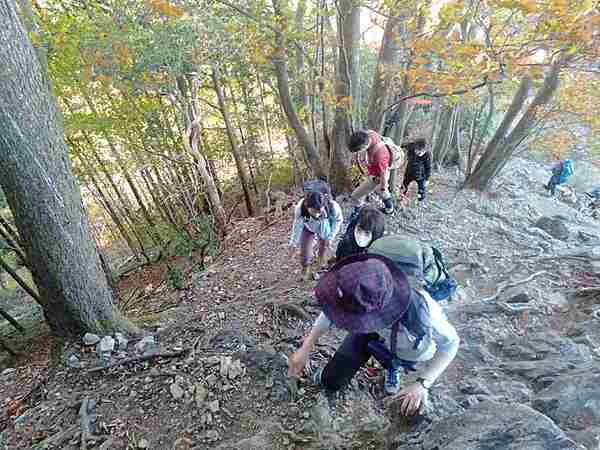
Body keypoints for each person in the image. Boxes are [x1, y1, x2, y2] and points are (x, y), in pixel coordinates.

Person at [288, 254, 460, 416]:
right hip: (371, 330)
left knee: (402, 357)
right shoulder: (358, 287)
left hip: (407, 347)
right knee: (331, 381)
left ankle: (393, 367)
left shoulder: (425, 315)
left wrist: (423, 383)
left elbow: (451, 343)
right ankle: (380, 360)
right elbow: (332, 310)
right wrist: (306, 347)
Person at [289, 191, 343, 281]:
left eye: (319, 210)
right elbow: (297, 225)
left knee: (323, 247)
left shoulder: (333, 206)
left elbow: (338, 220)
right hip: (308, 228)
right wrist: (293, 243)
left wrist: (331, 237)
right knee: (305, 252)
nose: (317, 214)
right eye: (314, 211)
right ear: (307, 206)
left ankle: (319, 264)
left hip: (325, 227)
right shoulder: (300, 208)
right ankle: (305, 268)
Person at [348, 130, 394, 214]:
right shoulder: (369, 133)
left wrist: (383, 186)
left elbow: (383, 174)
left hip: (378, 176)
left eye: (358, 150)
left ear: (364, 146)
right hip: (376, 171)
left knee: (355, 196)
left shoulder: (379, 156)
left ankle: (357, 214)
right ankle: (390, 208)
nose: (357, 153)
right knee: (381, 192)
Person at [401, 138, 431, 204]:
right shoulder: (411, 146)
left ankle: (420, 201)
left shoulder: (427, 154)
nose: (420, 153)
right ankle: (401, 197)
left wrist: (427, 179)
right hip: (409, 172)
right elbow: (402, 144)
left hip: (420, 175)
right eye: (418, 151)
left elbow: (428, 167)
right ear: (415, 147)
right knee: (404, 185)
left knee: (422, 189)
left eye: (422, 152)